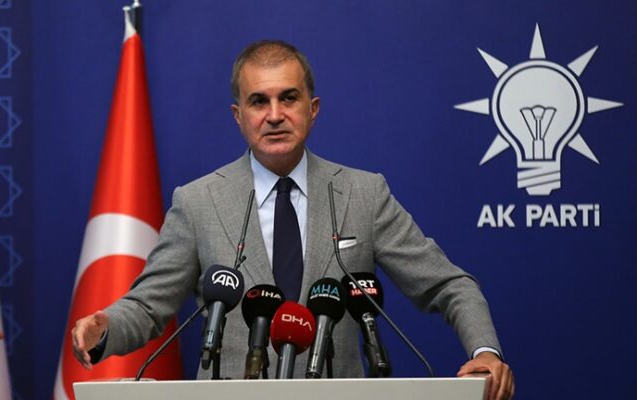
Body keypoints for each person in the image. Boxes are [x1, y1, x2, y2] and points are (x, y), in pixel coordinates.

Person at [72, 40, 514, 399]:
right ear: (238, 116)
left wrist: (485, 352)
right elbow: (148, 306)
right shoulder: (198, 202)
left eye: (288, 98)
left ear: (312, 108)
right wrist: (105, 327)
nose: (274, 115)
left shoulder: (363, 194)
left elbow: (449, 285)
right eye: (258, 101)